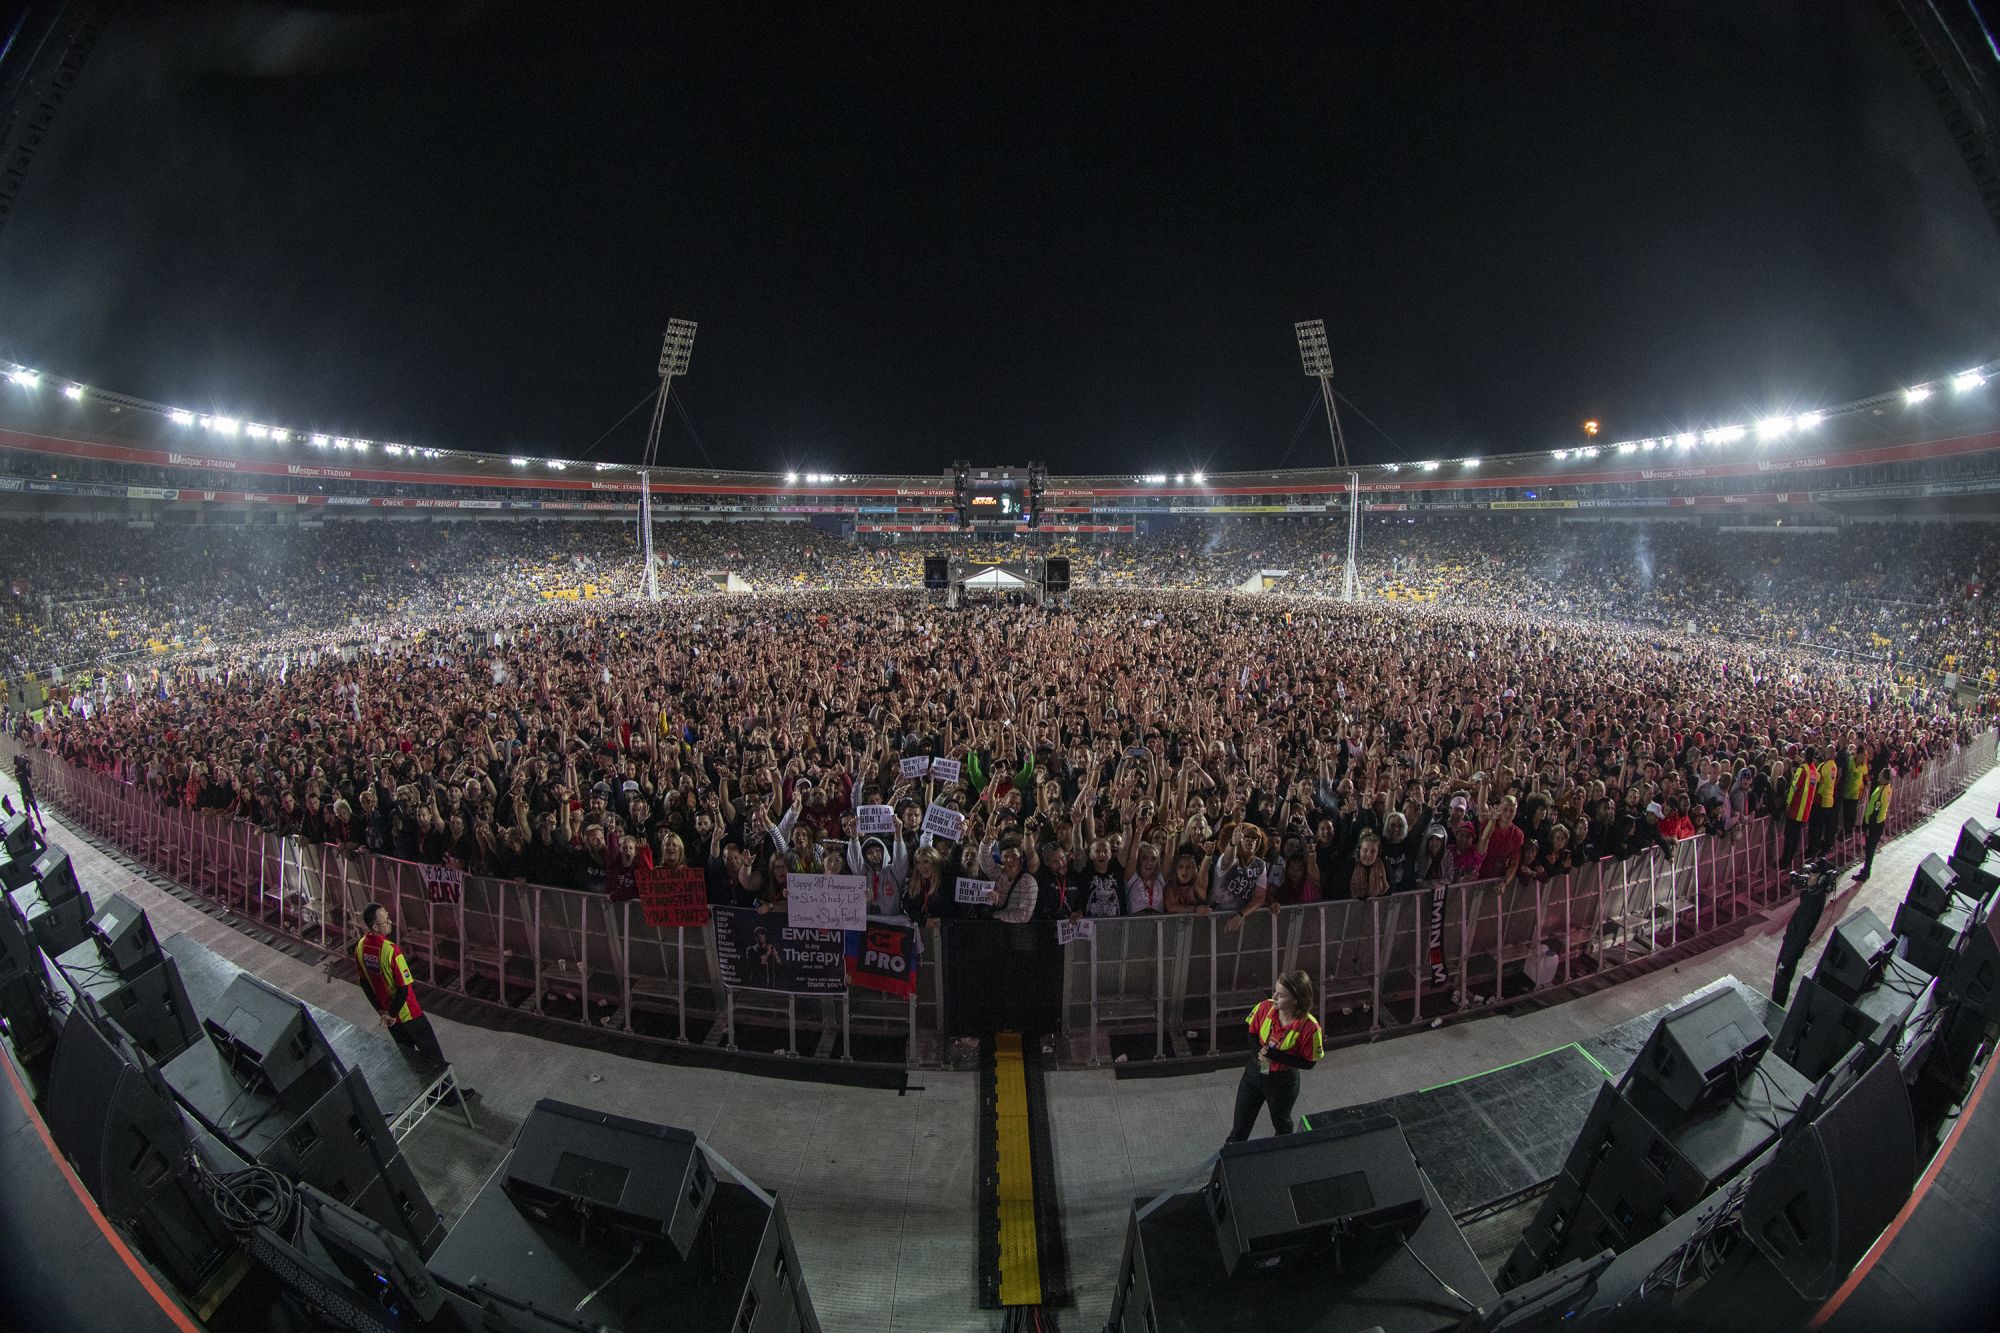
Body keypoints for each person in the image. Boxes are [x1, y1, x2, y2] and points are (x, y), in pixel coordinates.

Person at [354, 902, 473, 1104]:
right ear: (375, 926)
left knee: (411, 1059)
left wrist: (383, 1013)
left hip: (390, 1018)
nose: (390, 923)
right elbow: (403, 988)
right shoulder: (391, 951)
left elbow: (364, 982)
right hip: (409, 1014)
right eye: (385, 921)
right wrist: (392, 1013)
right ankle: (448, 1096)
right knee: (433, 1055)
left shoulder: (360, 947)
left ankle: (428, 1094)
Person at [1225, 969, 1324, 1143]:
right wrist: (1258, 1054)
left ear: (1296, 1000)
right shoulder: (1264, 1007)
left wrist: (1276, 1056)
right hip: (1254, 1074)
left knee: (1282, 1124)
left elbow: (1309, 1063)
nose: (1275, 998)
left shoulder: (1310, 1028)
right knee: (1239, 1128)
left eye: (1282, 995)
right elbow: (1251, 1034)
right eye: (1275, 991)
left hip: (1282, 1082)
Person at [1854, 768, 1892, 883]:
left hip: (1875, 824)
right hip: (1877, 822)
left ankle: (1866, 872)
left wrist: (1869, 826)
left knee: (1870, 849)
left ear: (1885, 778)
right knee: (1869, 848)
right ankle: (1866, 869)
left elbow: (1876, 809)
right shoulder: (1886, 788)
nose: (1878, 776)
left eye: (1880, 775)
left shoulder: (1882, 791)